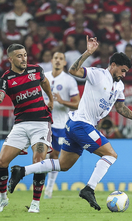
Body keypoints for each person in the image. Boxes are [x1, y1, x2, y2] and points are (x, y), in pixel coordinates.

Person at [8, 36, 132, 211]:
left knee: (63, 165)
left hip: (76, 125)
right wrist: (88, 53)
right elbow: (73, 70)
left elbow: (121, 108)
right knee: (111, 155)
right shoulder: (98, 74)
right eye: (122, 70)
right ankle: (89, 189)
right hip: (81, 124)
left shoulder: (119, 86)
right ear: (114, 65)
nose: (124, 75)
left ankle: (22, 171)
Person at [0, 43, 54, 213]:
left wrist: (51, 99)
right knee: (2, 162)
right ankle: (3, 198)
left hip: (41, 122)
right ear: (10, 59)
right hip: (20, 124)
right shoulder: (6, 79)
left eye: (25, 55)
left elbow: (45, 82)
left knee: (38, 162)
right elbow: (0, 94)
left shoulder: (36, 70)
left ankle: (35, 203)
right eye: (19, 56)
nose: (24, 58)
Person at [42, 51, 80, 199]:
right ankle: (40, 187)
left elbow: (77, 104)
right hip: (44, 123)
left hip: (61, 124)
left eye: (61, 59)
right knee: (41, 154)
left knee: (55, 156)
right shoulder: (43, 77)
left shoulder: (69, 80)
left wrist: (62, 101)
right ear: (51, 60)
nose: (58, 61)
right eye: (55, 58)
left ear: (65, 63)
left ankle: (49, 189)